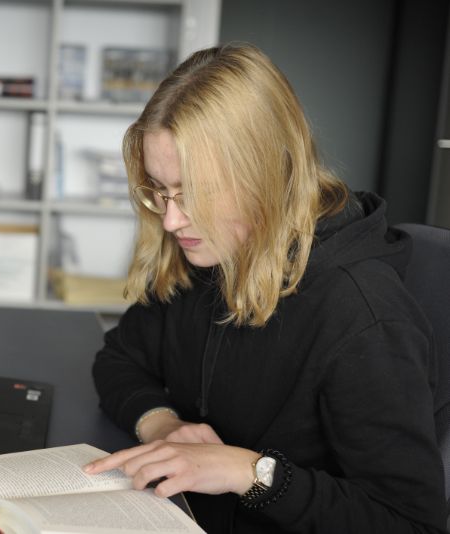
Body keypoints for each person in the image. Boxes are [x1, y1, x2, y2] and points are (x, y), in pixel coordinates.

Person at [83, 43, 446, 534]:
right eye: (160, 191)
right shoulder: (210, 252)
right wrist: (163, 424)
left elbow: (409, 522)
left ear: (268, 173)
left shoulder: (362, 314)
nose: (170, 219)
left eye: (194, 193)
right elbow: (120, 357)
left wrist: (248, 472)